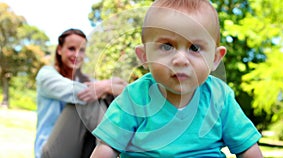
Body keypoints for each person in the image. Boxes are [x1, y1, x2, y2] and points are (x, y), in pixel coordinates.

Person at [90, 0, 264, 157]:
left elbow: (247, 148)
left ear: (215, 59)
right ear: (144, 56)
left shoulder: (219, 97)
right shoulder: (134, 98)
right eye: (167, 46)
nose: (181, 60)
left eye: (194, 48)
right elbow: (107, 148)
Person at [34, 28, 127, 158]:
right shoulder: (47, 75)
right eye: (72, 49)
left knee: (106, 96)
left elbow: (127, 89)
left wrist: (107, 87)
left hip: (79, 149)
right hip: (50, 152)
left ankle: (114, 147)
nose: (77, 54)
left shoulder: (86, 81)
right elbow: (82, 93)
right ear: (59, 50)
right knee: (86, 99)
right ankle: (115, 145)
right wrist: (106, 86)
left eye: (81, 50)